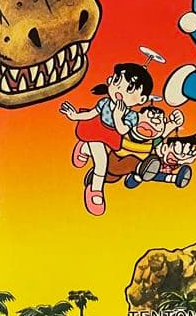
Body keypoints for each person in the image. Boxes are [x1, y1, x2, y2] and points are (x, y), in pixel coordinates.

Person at [59, 63, 153, 216]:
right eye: (117, 81)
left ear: (142, 99)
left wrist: (118, 117)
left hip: (112, 137)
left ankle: (84, 149)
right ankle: (95, 190)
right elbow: (91, 114)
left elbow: (123, 130)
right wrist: (75, 116)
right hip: (95, 130)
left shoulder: (132, 116)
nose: (120, 89)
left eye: (129, 89)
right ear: (110, 81)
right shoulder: (104, 103)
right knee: (102, 163)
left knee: (103, 154)